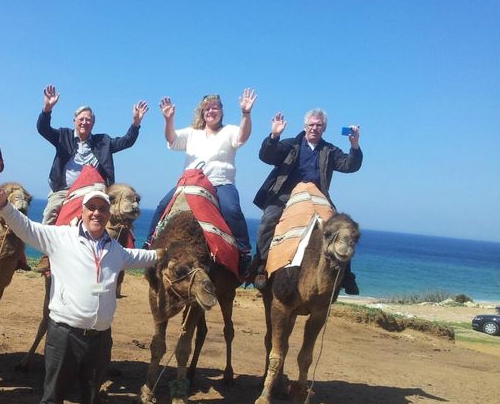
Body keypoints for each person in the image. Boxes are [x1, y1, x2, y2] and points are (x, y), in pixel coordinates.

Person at [0, 183, 162, 404]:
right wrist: (4, 205)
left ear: (108, 214)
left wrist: (164, 252)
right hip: (64, 333)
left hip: (100, 338)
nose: (96, 213)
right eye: (91, 208)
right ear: (82, 211)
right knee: (52, 396)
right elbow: (26, 228)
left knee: (93, 397)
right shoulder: (60, 237)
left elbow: (143, 257)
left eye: (102, 209)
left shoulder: (116, 250)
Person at [144, 91, 257, 274]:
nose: (211, 111)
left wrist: (246, 113)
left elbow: (242, 137)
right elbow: (171, 139)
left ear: (221, 111)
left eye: (215, 107)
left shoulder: (229, 131)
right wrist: (169, 119)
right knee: (162, 206)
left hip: (220, 182)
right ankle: (148, 246)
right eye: (207, 108)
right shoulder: (192, 133)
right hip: (190, 184)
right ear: (202, 112)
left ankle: (244, 253)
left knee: (231, 210)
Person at [251, 109, 363, 293]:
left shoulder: (329, 150)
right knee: (268, 219)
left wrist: (355, 145)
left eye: (318, 125)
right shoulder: (291, 145)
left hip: (317, 196)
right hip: (286, 194)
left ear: (324, 128)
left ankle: (347, 276)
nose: (314, 128)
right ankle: (261, 265)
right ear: (305, 126)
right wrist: (274, 136)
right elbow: (267, 156)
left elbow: (349, 165)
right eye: (311, 125)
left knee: (341, 227)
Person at [37, 84, 149, 224]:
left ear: (93, 123)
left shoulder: (103, 141)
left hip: (94, 190)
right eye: (81, 119)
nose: (84, 122)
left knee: (117, 219)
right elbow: (43, 129)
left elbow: (126, 142)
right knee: (50, 214)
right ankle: (46, 244)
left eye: (88, 119)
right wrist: (47, 109)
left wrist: (136, 123)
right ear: (75, 121)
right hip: (64, 190)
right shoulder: (63, 135)